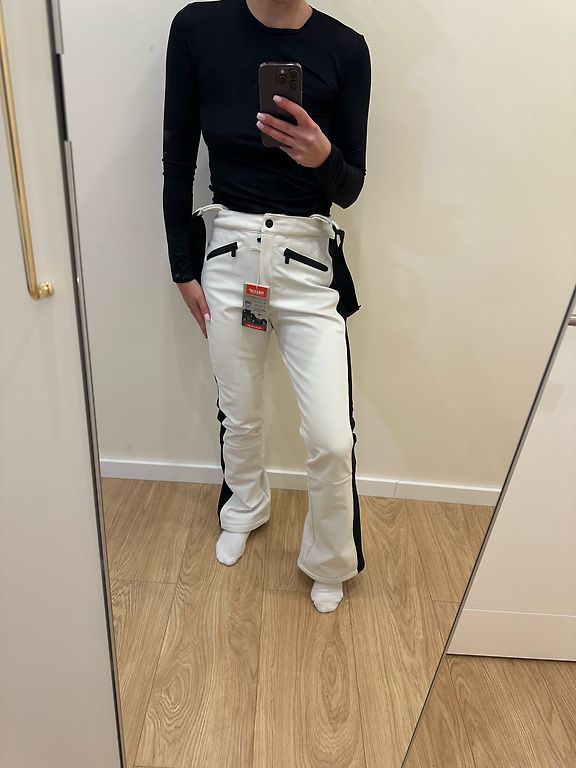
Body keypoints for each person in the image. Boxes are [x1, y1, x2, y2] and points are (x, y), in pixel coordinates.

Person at [162, 0, 371, 612]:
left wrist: (323, 157)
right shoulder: (197, 29)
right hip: (231, 261)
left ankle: (329, 555)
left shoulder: (345, 48)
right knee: (241, 410)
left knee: (331, 437)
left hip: (306, 267)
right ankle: (245, 506)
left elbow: (351, 186)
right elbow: (178, 158)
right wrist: (182, 267)